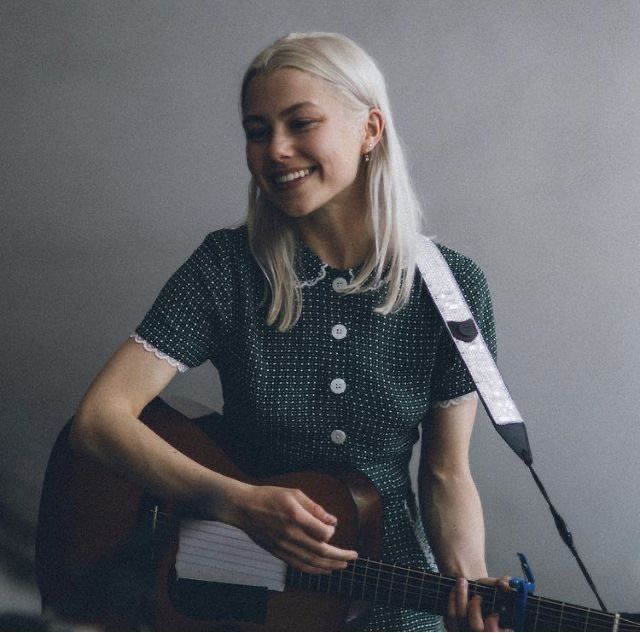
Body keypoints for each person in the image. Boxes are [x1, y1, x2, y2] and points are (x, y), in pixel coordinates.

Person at [71, 32, 509, 631]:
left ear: (370, 131)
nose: (276, 149)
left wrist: (471, 581)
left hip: (387, 582)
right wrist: (234, 501)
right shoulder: (227, 266)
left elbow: (445, 472)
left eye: (301, 123)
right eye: (257, 131)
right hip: (235, 582)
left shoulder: (454, 288)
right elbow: (100, 419)